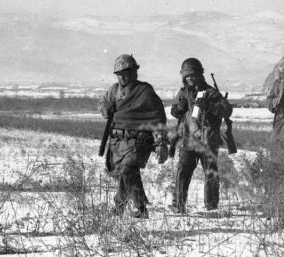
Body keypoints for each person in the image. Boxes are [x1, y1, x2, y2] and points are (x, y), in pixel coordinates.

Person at [99, 54, 168, 218]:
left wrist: (161, 143)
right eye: (119, 74)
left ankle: (120, 207)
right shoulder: (113, 90)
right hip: (117, 142)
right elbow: (102, 104)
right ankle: (141, 209)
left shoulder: (145, 91)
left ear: (134, 72)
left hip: (139, 141)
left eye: (126, 73)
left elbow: (157, 118)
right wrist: (106, 108)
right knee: (128, 174)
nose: (122, 77)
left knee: (128, 169)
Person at [168, 58, 233, 214]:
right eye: (187, 76)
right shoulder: (183, 92)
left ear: (199, 75)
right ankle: (178, 205)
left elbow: (227, 110)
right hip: (188, 140)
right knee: (182, 171)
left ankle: (212, 207)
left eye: (192, 75)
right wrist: (179, 108)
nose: (189, 78)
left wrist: (209, 106)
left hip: (207, 141)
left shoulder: (210, 92)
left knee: (211, 173)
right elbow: (174, 111)